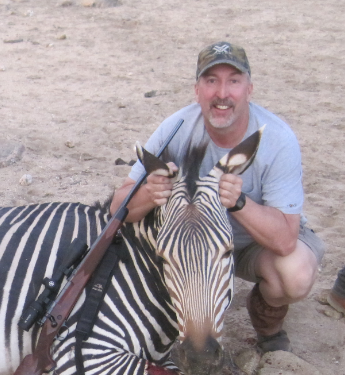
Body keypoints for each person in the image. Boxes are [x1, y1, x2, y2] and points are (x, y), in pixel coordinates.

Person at [110, 41, 325, 353]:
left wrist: (238, 202)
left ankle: (267, 320)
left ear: (249, 89)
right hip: (192, 248)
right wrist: (147, 193)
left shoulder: (278, 139)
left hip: (254, 244)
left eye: (233, 81)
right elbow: (118, 207)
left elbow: (284, 241)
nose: (222, 93)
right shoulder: (176, 128)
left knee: (295, 274)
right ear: (197, 90)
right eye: (211, 81)